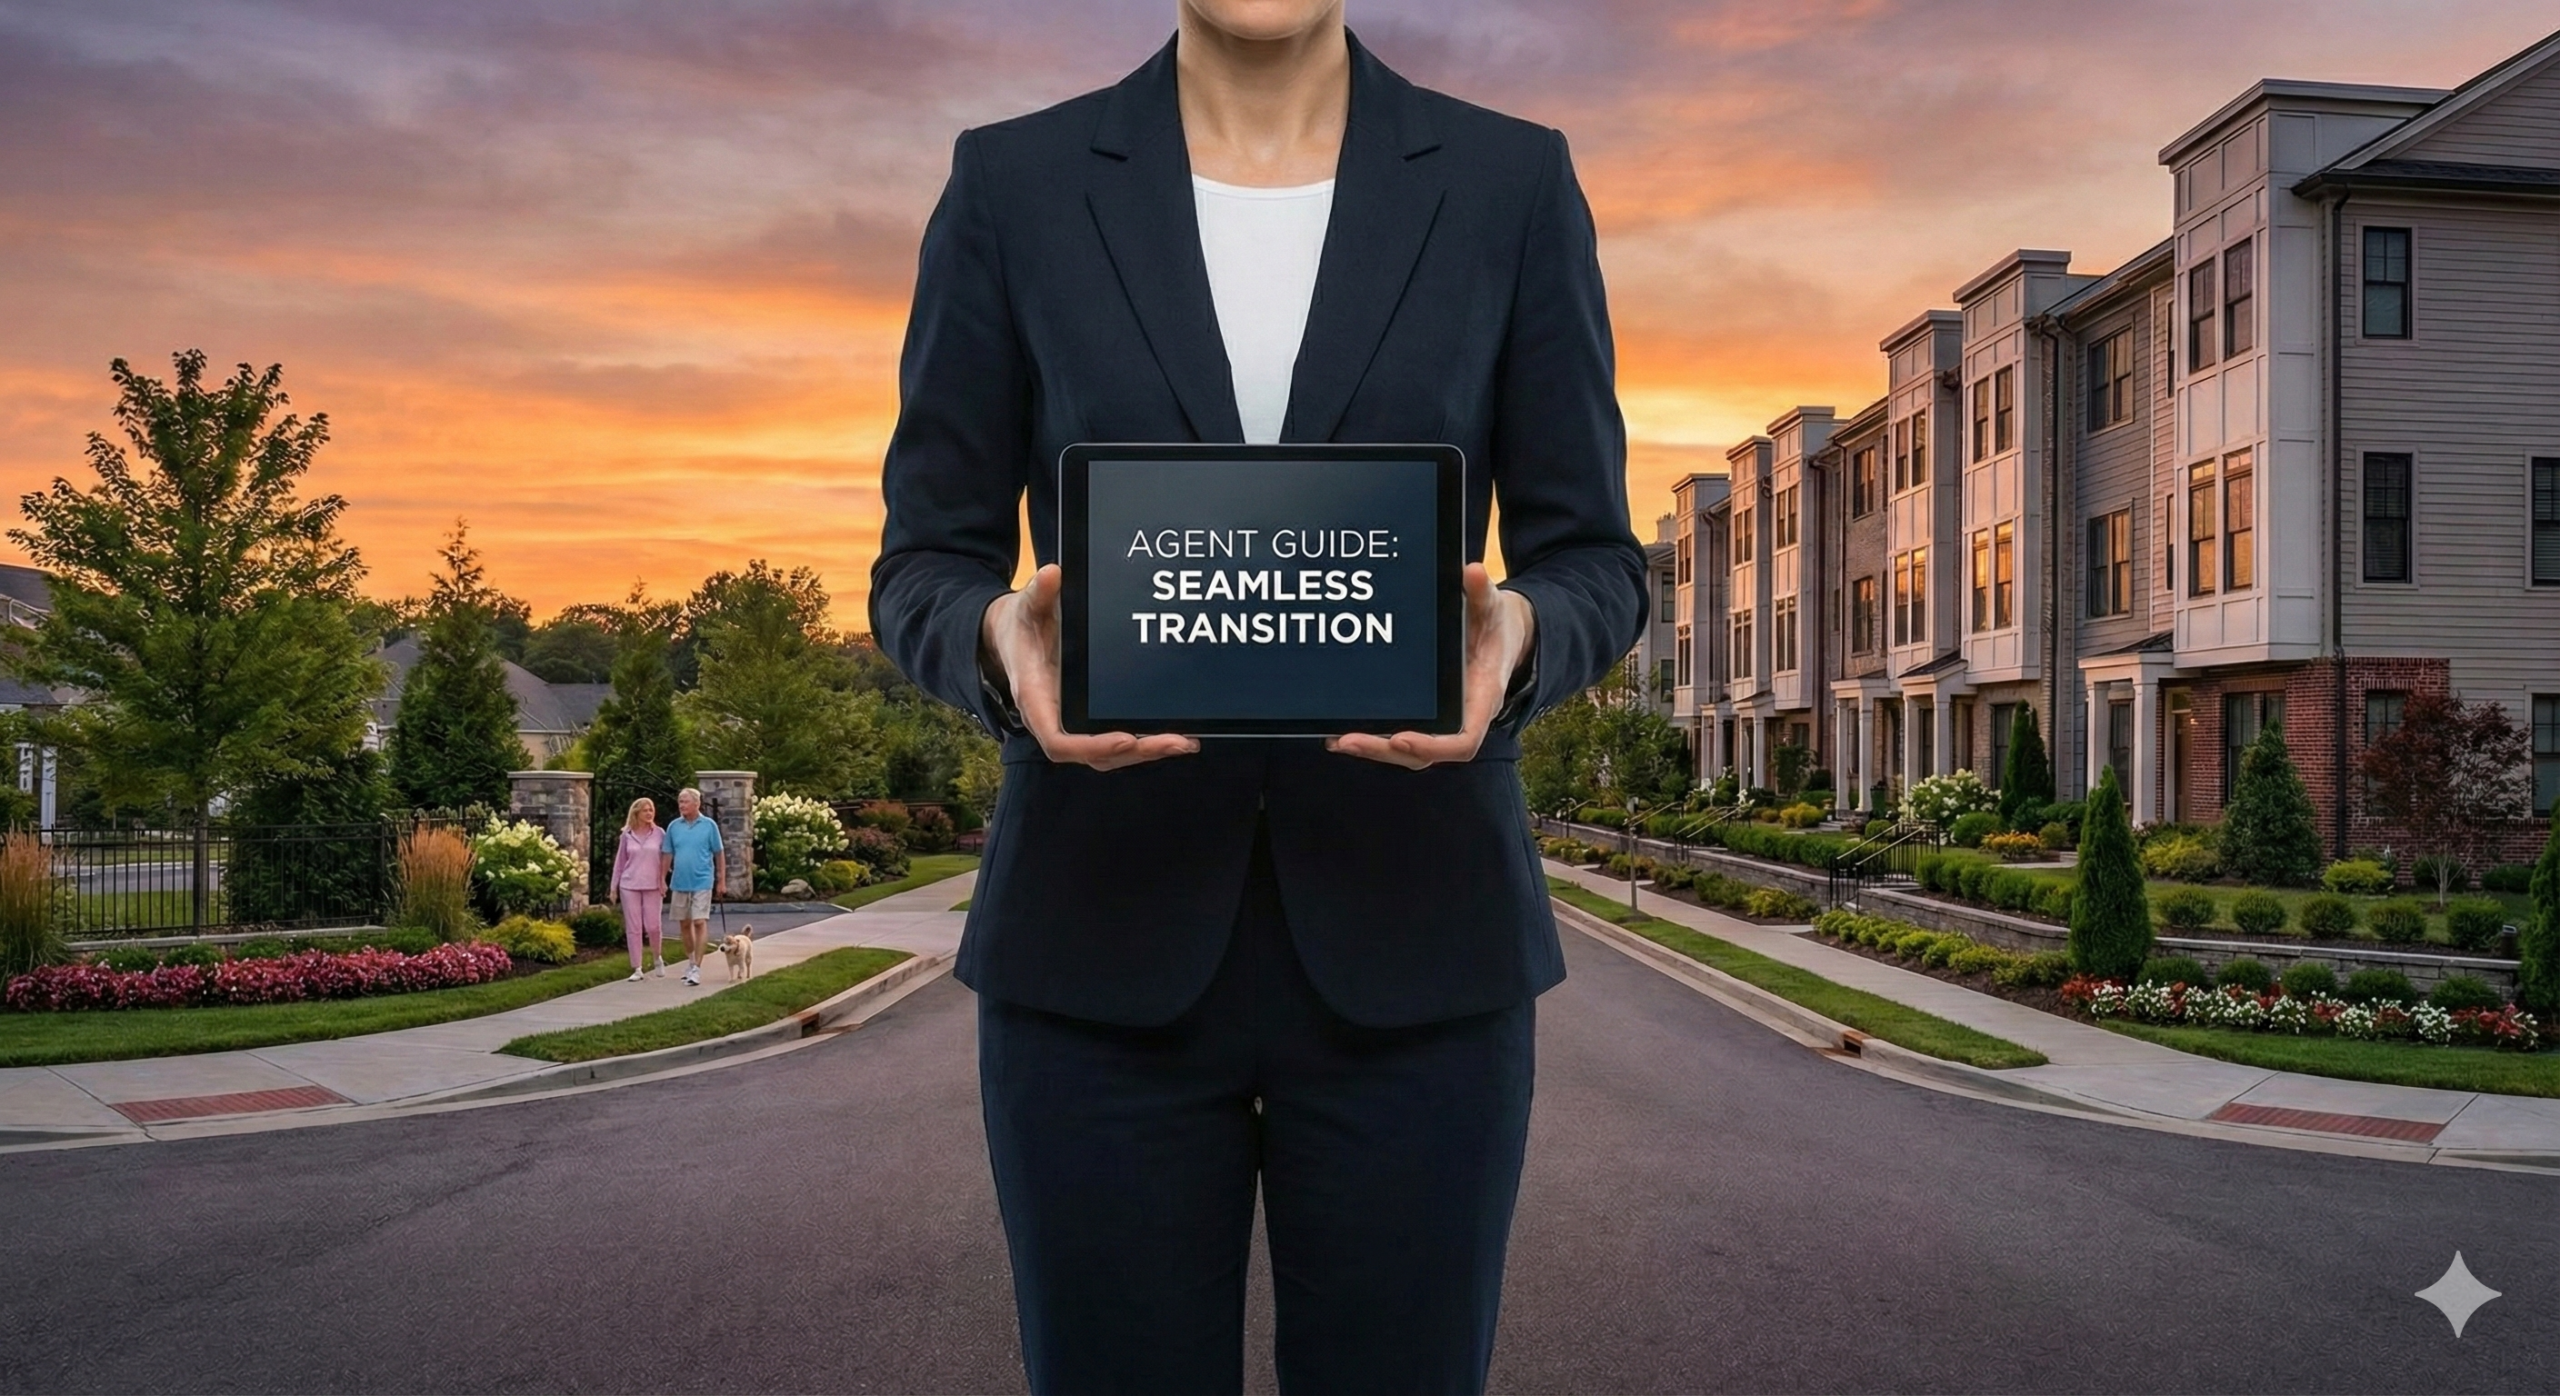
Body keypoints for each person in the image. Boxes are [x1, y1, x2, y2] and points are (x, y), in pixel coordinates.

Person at [869, 3, 1646, 1391]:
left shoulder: (1511, 182)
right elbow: (923, 560)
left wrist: (1522, 634)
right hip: (1095, 952)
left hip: (1423, 950)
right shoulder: (1010, 184)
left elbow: (1595, 557)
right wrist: (993, 639)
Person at [661, 786, 726, 987]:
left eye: (685, 801)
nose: (681, 805)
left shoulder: (709, 826)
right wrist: (662, 879)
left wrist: (721, 880)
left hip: (702, 881)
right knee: (684, 924)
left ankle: (697, 967)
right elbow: (667, 854)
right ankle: (690, 962)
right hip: (680, 881)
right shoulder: (674, 827)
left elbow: (719, 853)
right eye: (680, 802)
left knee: (699, 921)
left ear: (697, 804)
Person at [606, 796, 668, 981]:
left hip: (653, 885)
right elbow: (620, 862)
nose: (649, 813)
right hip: (629, 884)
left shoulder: (659, 833)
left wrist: (663, 880)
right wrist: (613, 887)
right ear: (636, 813)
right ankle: (637, 968)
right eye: (645, 810)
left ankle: (657, 957)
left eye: (651, 810)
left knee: (653, 926)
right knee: (634, 927)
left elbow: (666, 859)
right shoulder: (627, 834)